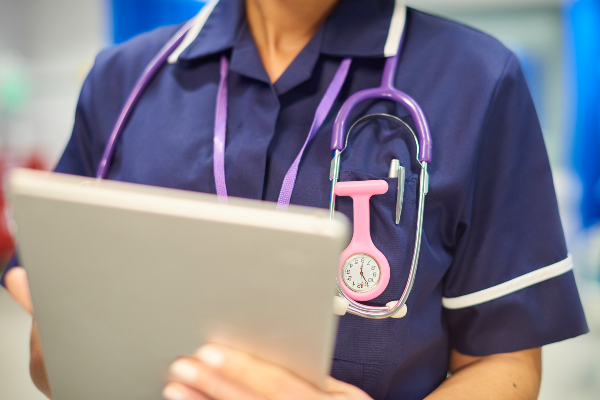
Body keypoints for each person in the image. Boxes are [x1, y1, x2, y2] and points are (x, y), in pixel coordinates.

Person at [2, 0, 589, 399]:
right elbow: (47, 352)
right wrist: (81, 353)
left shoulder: (476, 79)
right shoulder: (123, 82)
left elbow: (505, 364)